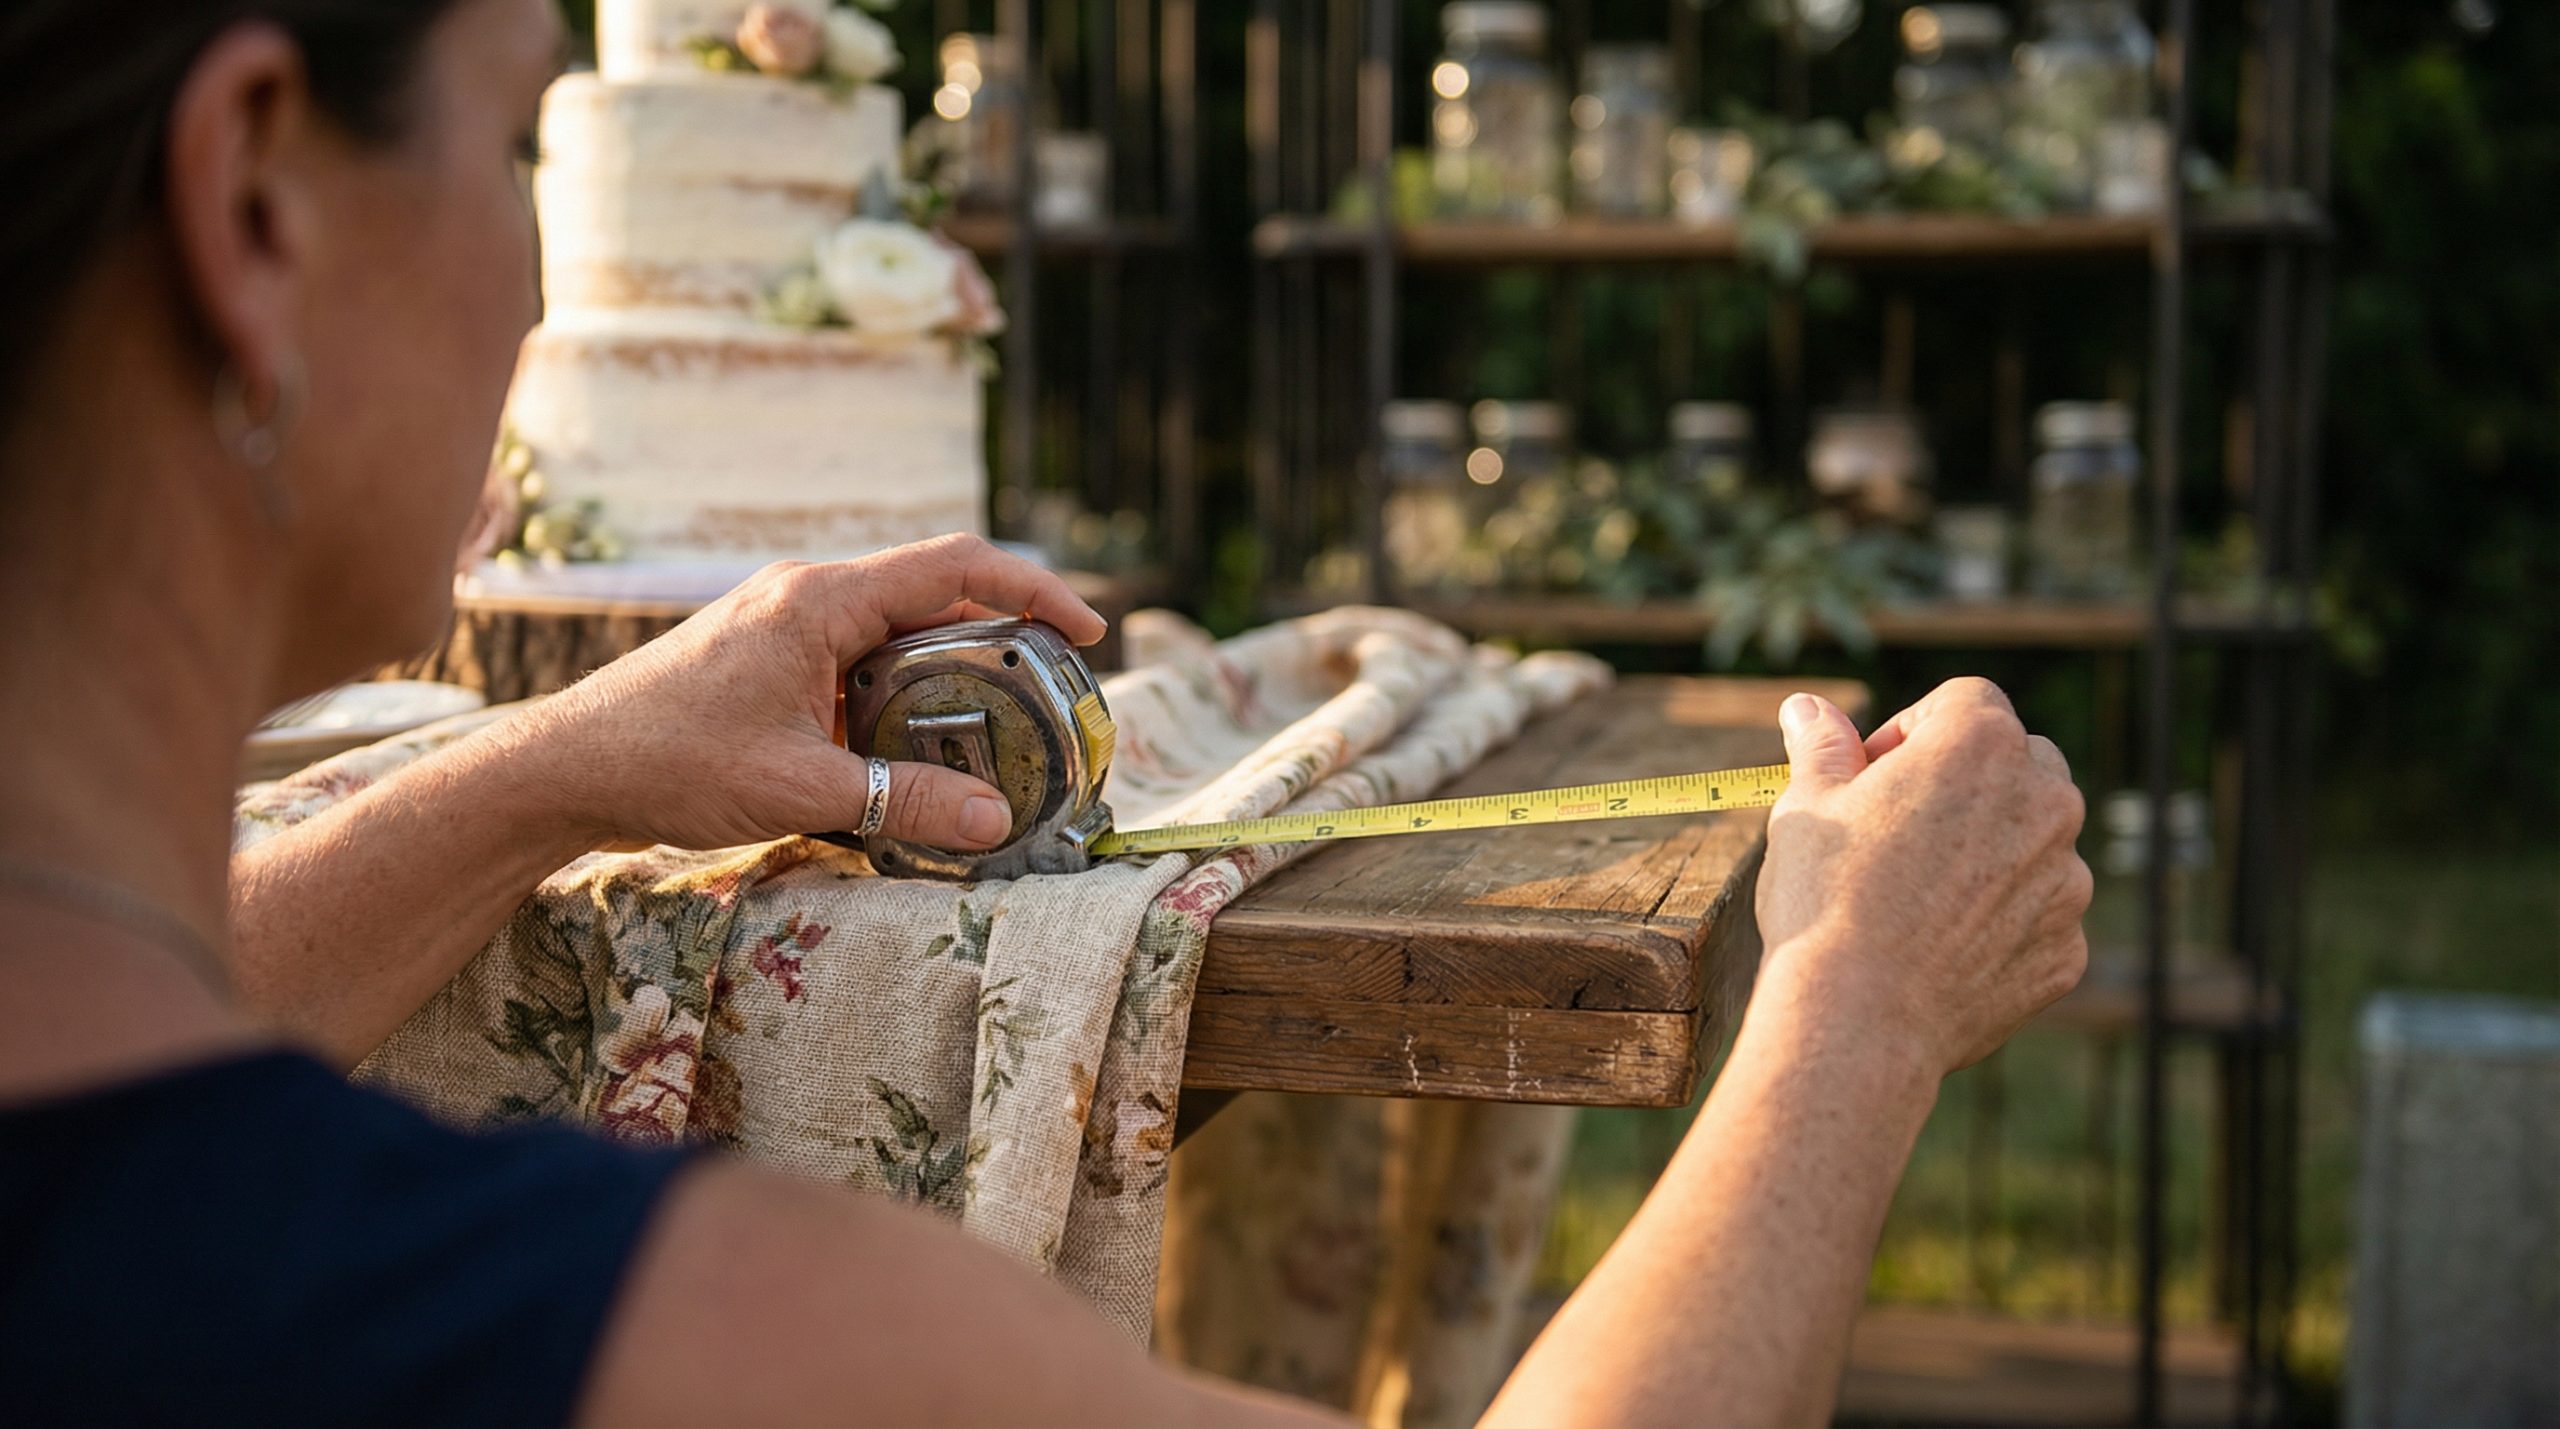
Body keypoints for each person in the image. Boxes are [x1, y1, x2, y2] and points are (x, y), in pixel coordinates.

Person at [0, 1, 2091, 1423]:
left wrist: (561, 762)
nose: (539, 295)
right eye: (507, 131)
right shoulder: (640, 1325)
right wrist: (1856, 1016)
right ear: (257, 197)